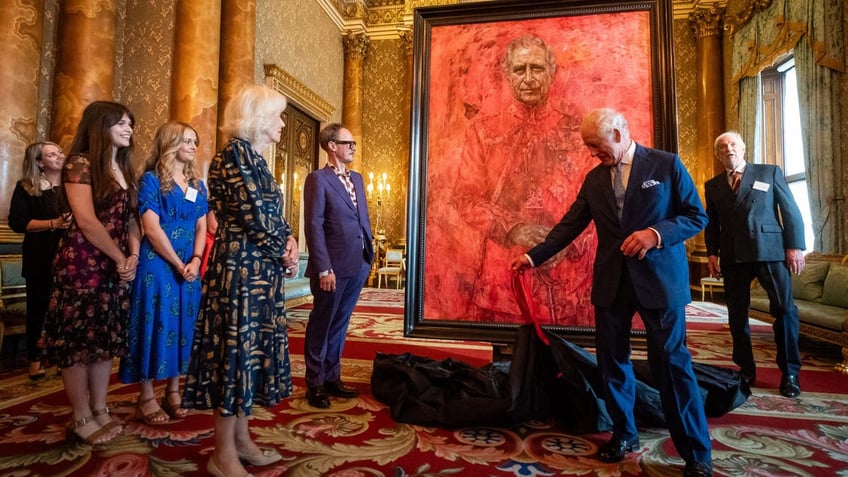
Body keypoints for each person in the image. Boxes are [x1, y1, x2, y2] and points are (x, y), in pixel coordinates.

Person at [511, 108, 713, 477]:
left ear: (619, 133)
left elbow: (695, 216)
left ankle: (696, 454)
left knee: (672, 365)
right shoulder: (594, 180)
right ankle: (624, 434)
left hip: (660, 283)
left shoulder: (665, 165)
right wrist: (532, 256)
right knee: (612, 363)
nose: (593, 153)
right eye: (589, 147)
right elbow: (570, 225)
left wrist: (656, 235)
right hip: (612, 282)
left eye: (597, 145)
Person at [182, 84, 299, 477]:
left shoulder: (256, 158)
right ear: (258, 118)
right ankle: (222, 454)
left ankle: (243, 441)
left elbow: (273, 216)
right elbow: (253, 215)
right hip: (240, 272)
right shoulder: (234, 155)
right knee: (234, 358)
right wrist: (282, 247)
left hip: (258, 270)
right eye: (278, 115)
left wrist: (290, 240)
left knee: (248, 358)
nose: (282, 123)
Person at [447, 34, 594, 325]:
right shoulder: (483, 131)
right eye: (519, 69)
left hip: (567, 275)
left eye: (537, 68)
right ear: (507, 74)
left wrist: (565, 243)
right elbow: (465, 198)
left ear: (551, 72)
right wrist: (513, 230)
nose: (528, 77)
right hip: (502, 270)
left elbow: (597, 200)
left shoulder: (577, 131)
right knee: (506, 354)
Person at [40, 101, 141, 445]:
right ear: (102, 126)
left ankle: (100, 409)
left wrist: (134, 255)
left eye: (130, 123)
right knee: (78, 341)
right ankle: (80, 414)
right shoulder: (80, 163)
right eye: (122, 123)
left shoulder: (125, 168)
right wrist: (118, 257)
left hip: (115, 262)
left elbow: (131, 220)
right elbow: (85, 221)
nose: (129, 128)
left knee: (103, 340)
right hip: (82, 261)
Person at [704, 131, 806, 398]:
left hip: (769, 251)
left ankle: (790, 372)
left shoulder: (769, 172)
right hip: (733, 255)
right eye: (722, 146)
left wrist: (794, 246)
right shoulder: (713, 185)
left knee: (784, 310)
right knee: (737, 316)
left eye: (733, 144)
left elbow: (790, 210)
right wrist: (711, 254)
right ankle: (746, 369)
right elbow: (712, 223)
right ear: (718, 154)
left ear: (743, 148)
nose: (728, 149)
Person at [118, 121, 208, 424]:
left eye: (195, 141)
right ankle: (145, 397)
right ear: (170, 142)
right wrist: (177, 262)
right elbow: (151, 228)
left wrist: (195, 260)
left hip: (190, 265)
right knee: (153, 322)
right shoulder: (151, 180)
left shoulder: (197, 185)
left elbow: (201, 225)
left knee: (184, 325)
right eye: (186, 140)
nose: (193, 146)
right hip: (157, 262)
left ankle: (173, 390)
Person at [302, 123, 374, 409]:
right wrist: (322, 268)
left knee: (341, 324)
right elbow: (314, 226)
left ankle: (332, 377)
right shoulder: (317, 180)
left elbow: (362, 219)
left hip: (358, 263)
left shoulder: (357, 179)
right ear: (332, 145)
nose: (352, 148)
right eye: (348, 143)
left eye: (353, 144)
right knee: (323, 323)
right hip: (331, 268)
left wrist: (369, 255)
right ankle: (315, 383)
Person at [8, 141, 73, 380]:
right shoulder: (27, 187)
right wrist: (54, 224)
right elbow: (17, 222)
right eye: (51, 154)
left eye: (59, 152)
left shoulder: (71, 186)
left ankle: (59, 357)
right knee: (39, 309)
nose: (59, 156)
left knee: (65, 309)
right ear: (39, 162)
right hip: (39, 257)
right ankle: (35, 359)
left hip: (69, 258)